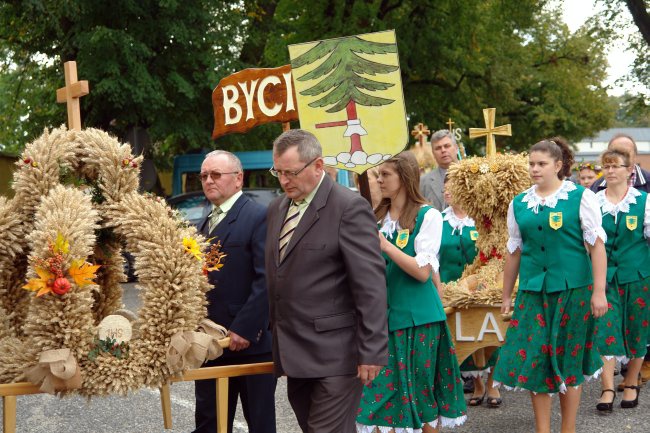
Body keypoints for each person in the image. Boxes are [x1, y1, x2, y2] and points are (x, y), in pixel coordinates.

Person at [264, 129, 388, 433]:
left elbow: (370, 286)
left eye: (291, 172)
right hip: (294, 354)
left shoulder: (348, 207)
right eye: (277, 172)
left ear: (318, 165)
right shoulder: (278, 208)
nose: (284, 180)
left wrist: (372, 349)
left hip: (336, 355)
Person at [494, 137, 608, 433]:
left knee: (569, 362)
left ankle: (567, 429)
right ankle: (542, 430)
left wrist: (599, 291)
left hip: (573, 292)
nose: (535, 169)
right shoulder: (519, 203)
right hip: (533, 293)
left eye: (541, 164)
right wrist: (507, 294)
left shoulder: (581, 197)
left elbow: (596, 247)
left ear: (558, 166)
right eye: (531, 163)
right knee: (536, 361)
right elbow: (514, 252)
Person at [356, 151, 467, 433]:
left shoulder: (428, 215)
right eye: (378, 174)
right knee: (382, 397)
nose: (379, 180)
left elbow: (422, 271)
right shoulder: (377, 216)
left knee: (420, 394)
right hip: (384, 319)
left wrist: (385, 246)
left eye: (385, 175)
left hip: (418, 318)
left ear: (404, 178)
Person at [194, 150, 276, 433]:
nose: (208, 181)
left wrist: (245, 328)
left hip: (249, 345)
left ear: (238, 179)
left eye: (216, 174)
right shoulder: (204, 222)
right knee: (210, 424)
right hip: (210, 345)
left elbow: (267, 279)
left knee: (259, 424)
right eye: (204, 175)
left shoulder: (258, 216)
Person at [594, 148, 650, 412]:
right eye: (607, 166)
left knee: (637, 329)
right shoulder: (593, 201)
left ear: (630, 171)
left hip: (638, 276)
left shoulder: (644, 201)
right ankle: (607, 387)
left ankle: (630, 382)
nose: (611, 170)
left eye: (616, 166)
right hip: (604, 279)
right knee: (605, 330)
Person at [439, 176, 502, 408]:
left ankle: (493, 382)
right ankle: (477, 383)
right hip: (452, 289)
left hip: (483, 288)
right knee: (462, 336)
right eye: (445, 186)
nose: (447, 190)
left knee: (490, 334)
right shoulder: (438, 220)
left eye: (453, 186)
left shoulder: (482, 221)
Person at [420, 130, 459, 211]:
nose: (443, 150)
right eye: (438, 148)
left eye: (447, 146)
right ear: (433, 153)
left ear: (456, 148)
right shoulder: (423, 182)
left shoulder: (472, 175)